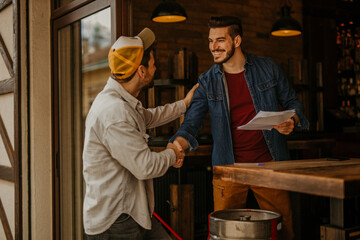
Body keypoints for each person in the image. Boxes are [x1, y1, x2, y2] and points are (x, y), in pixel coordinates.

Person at [170, 16, 309, 240]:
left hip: (269, 166)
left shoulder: (268, 68)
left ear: (237, 41)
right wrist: (179, 144)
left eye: (220, 40)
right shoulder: (207, 81)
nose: (213, 47)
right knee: (225, 235)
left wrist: (291, 121)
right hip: (228, 169)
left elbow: (294, 104)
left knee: (283, 231)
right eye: (210, 40)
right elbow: (191, 124)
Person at [82, 27, 198, 240]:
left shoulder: (123, 102)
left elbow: (150, 117)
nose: (157, 67)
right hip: (116, 222)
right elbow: (145, 167)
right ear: (141, 71)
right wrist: (173, 153)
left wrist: (185, 104)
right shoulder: (114, 112)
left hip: (131, 211)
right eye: (153, 64)